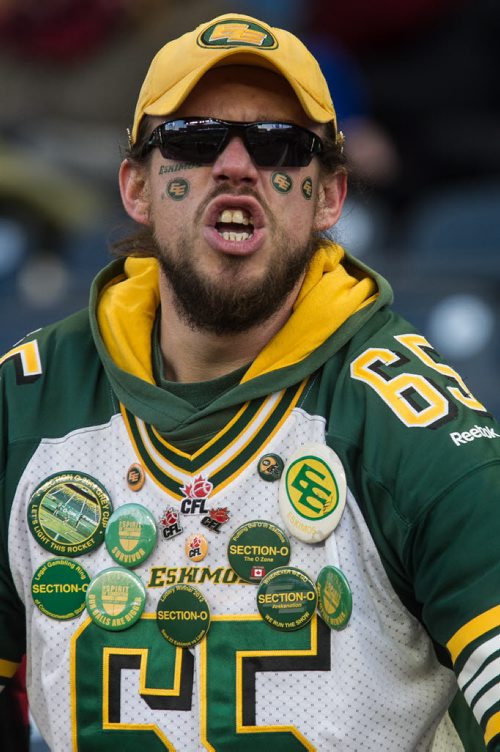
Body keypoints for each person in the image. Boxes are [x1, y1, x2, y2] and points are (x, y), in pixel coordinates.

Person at [1, 11, 499, 751]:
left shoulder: (409, 425)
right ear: (137, 186)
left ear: (329, 197)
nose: (235, 165)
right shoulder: (25, 404)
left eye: (280, 147)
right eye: (196, 141)